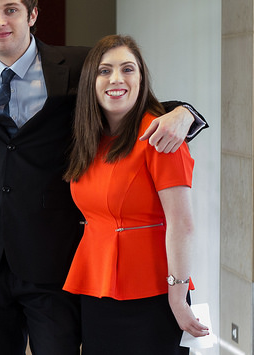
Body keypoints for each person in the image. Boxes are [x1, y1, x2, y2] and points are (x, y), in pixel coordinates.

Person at [0, 0, 208, 355]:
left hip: (54, 257)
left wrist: (186, 113)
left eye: (11, 9)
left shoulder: (78, 64)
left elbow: (127, 99)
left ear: (32, 14)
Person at [62, 34, 209, 354]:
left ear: (141, 80)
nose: (116, 78)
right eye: (105, 71)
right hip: (97, 289)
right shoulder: (89, 140)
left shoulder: (162, 136)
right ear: (90, 82)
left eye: (127, 69)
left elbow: (182, 224)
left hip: (154, 293)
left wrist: (177, 297)